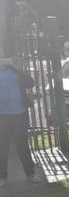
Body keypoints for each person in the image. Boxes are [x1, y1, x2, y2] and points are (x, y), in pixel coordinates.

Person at [0, 58, 40, 186]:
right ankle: (2, 177)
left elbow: (31, 83)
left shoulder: (17, 73)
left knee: (22, 145)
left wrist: (16, 69)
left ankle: (30, 174)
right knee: (2, 147)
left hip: (19, 114)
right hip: (2, 115)